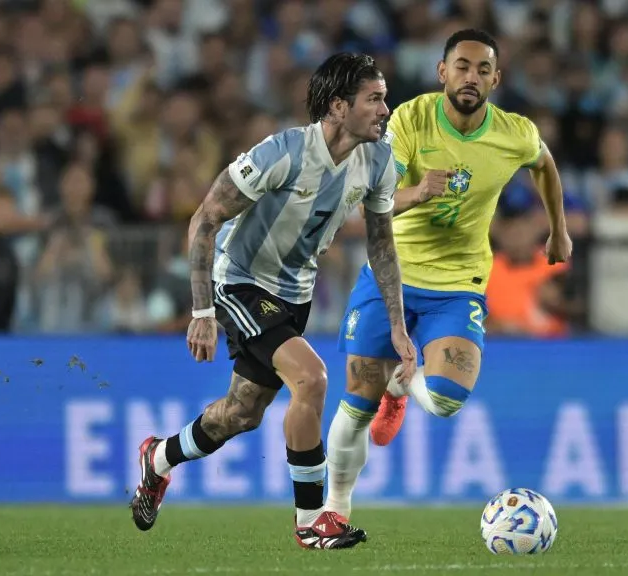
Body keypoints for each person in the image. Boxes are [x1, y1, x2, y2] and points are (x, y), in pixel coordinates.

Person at [129, 53, 417, 550]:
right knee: (312, 378)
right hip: (241, 283)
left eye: (384, 98)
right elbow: (205, 218)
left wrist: (397, 323)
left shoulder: (379, 162)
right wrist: (201, 312)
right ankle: (312, 523)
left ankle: (158, 458)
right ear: (337, 106)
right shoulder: (281, 153)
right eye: (374, 99)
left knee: (241, 414)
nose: (385, 109)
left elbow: (381, 244)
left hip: (294, 297)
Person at [325, 29, 573, 521]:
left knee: (443, 401)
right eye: (462, 66)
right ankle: (336, 508)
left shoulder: (513, 132)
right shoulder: (411, 120)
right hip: (390, 276)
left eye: (483, 69)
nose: (471, 77)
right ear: (443, 72)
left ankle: (401, 386)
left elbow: (543, 163)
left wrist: (558, 231)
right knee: (355, 406)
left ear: (496, 79)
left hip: (458, 285)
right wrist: (416, 193)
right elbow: (366, 197)